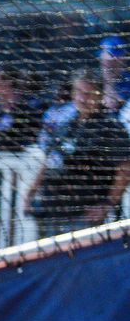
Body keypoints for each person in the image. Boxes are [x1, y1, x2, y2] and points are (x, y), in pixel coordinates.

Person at [24, 68, 130, 238]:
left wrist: (108, 203)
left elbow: (126, 168)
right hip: (49, 210)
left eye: (89, 93)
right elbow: (50, 160)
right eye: (79, 92)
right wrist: (31, 192)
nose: (83, 98)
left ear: (100, 95)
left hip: (83, 215)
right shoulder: (67, 125)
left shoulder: (110, 128)